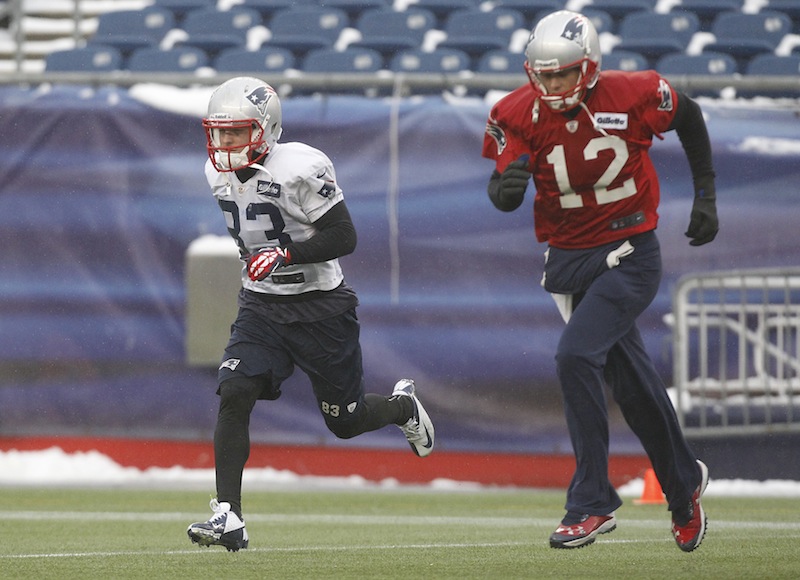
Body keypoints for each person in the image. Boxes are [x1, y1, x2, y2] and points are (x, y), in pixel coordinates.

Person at [482, 11, 717, 551]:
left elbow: (690, 114)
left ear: (588, 68)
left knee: (574, 356)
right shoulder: (515, 111)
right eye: (544, 74)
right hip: (569, 260)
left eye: (563, 74)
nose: (553, 84)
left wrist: (705, 194)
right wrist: (507, 188)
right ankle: (684, 486)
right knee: (633, 387)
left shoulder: (632, 93)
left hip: (631, 247)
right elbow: (501, 188)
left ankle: (589, 503)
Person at [186, 77, 435, 552]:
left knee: (345, 420)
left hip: (320, 308)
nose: (223, 144)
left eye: (234, 132)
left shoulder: (301, 166)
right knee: (235, 390)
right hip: (260, 304)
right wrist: (270, 264)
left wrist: (286, 253)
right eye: (217, 133)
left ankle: (403, 407)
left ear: (265, 129)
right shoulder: (214, 172)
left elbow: (344, 236)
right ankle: (229, 515)